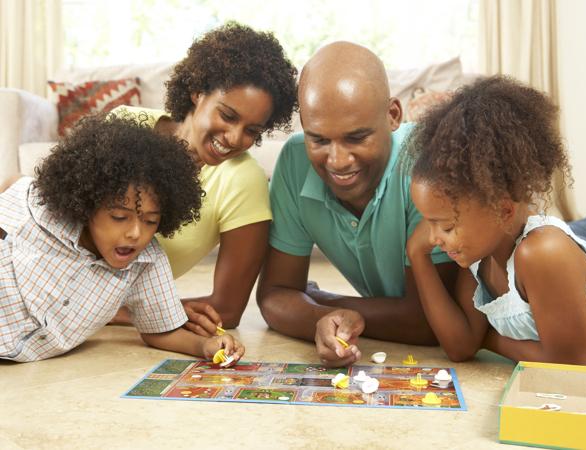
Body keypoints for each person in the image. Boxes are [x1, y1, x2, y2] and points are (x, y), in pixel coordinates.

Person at [256, 42, 456, 367]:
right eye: (318, 139)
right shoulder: (294, 161)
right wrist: (320, 319)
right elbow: (274, 295)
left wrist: (322, 300)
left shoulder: (428, 165)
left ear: (393, 115)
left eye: (356, 137)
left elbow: (431, 321)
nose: (337, 161)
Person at [0, 114, 244, 362]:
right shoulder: (40, 212)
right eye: (119, 217)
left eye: (151, 221)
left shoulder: (147, 263)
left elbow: (160, 331)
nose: (136, 234)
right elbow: (15, 186)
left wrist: (205, 346)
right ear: (87, 204)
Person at [111, 22, 298, 336]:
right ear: (198, 92)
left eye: (253, 130)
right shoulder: (124, 126)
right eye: (227, 115)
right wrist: (160, 311)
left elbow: (227, 309)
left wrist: (143, 312)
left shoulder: (243, 180)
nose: (236, 138)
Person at [406, 75, 586, 365]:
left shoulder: (543, 254)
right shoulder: (478, 256)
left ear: (504, 211)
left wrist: (488, 338)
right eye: (428, 222)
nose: (433, 237)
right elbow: (460, 348)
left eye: (446, 226)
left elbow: (569, 367)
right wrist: (416, 255)